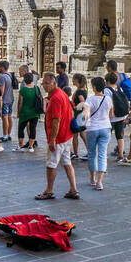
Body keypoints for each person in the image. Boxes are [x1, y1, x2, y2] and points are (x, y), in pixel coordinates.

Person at [35, 71, 78, 202]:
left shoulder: (55, 98)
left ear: (54, 83)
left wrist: (52, 139)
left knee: (51, 164)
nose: (44, 86)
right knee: (67, 162)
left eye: (47, 83)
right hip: (67, 135)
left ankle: (49, 191)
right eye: (43, 84)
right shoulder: (63, 94)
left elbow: (56, 120)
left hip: (59, 137)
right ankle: (73, 189)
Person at [83, 76, 113, 191]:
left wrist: (86, 123)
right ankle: (100, 182)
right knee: (102, 154)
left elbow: (86, 115)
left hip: (92, 128)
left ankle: (92, 178)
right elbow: (111, 115)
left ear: (94, 87)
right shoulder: (108, 99)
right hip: (105, 128)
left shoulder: (89, 100)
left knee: (91, 153)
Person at [106, 69, 129, 161]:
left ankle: (104, 155)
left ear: (107, 81)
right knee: (119, 136)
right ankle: (120, 155)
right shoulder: (119, 88)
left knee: (107, 136)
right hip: (120, 116)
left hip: (112, 117)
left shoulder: (107, 90)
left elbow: (109, 103)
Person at [16, 72, 41, 152]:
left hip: (25, 113)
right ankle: (31, 146)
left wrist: (18, 112)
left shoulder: (23, 90)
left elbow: (20, 102)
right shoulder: (37, 88)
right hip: (35, 112)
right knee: (32, 128)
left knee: (21, 128)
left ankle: (21, 145)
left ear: (24, 80)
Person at [0, 60, 14, 142]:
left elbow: (1, 92)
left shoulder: (3, 77)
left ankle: (4, 135)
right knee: (10, 116)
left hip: (5, 100)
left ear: (3, 68)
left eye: (0, 67)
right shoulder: (10, 75)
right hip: (11, 98)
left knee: (5, 117)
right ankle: (9, 134)